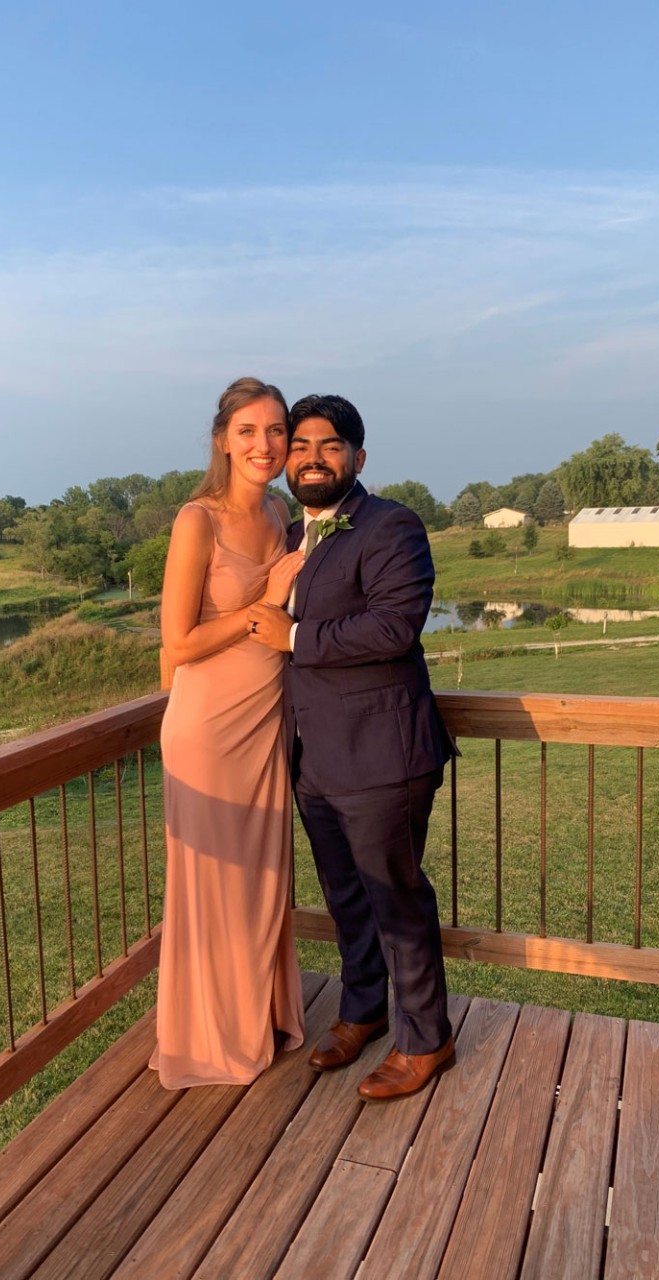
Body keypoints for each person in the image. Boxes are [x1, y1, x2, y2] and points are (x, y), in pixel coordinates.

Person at [247, 393, 455, 1100]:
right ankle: (362, 1011)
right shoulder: (286, 536)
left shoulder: (391, 527)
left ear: (358, 458)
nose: (311, 458)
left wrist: (295, 638)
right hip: (314, 760)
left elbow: (393, 628)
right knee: (344, 898)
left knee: (396, 898)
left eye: (329, 446)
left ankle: (428, 1039)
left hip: (383, 758)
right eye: (299, 446)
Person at [150, 377, 306, 1088]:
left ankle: (258, 1016)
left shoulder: (281, 513)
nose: (265, 445)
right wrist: (261, 608)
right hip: (209, 727)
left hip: (266, 719)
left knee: (263, 879)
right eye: (248, 431)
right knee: (213, 881)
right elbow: (176, 644)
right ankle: (211, 1036)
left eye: (276, 431)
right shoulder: (198, 521)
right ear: (222, 439)